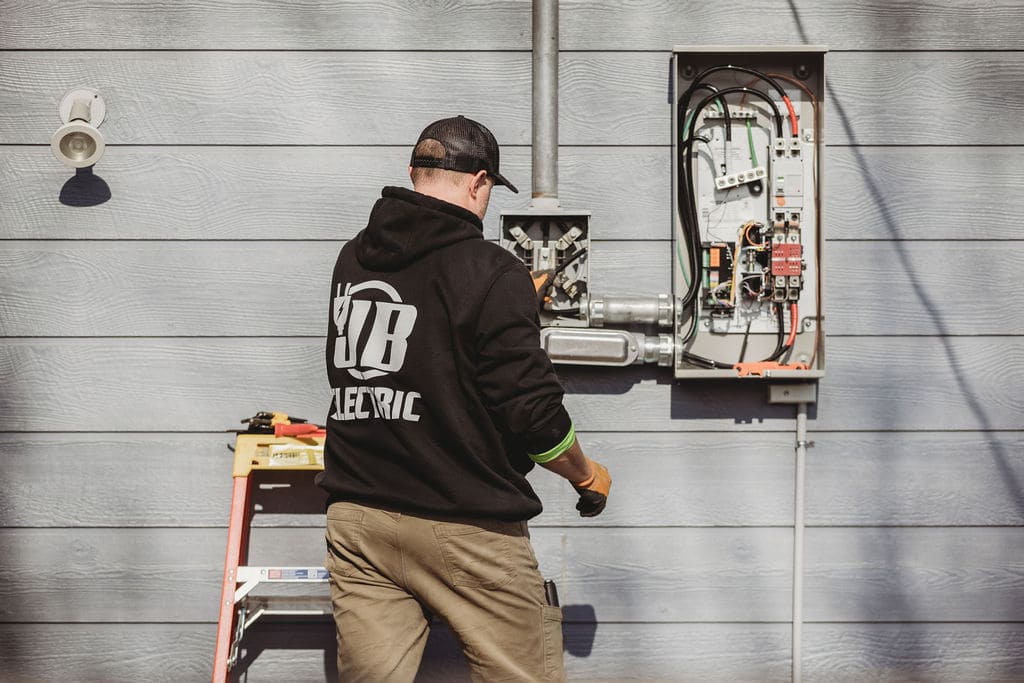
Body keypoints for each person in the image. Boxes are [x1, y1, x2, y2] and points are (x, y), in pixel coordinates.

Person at [316, 115, 611, 682]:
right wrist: (584, 475)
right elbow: (534, 416)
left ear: (413, 173)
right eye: (488, 192)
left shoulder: (352, 258)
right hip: (464, 524)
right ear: (479, 182)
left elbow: (392, 362)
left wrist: (501, 305)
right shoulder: (491, 270)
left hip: (358, 522)